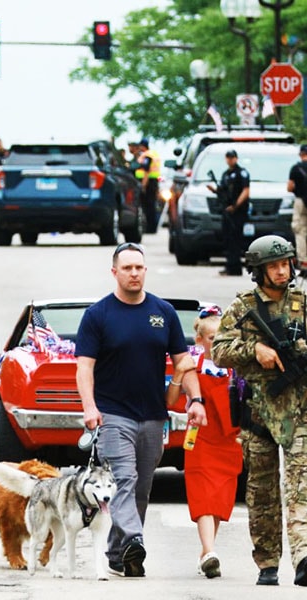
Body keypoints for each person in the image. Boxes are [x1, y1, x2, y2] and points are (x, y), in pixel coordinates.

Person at [75, 242, 207, 578]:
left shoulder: (163, 312)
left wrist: (196, 400)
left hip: (153, 415)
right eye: (127, 268)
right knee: (123, 479)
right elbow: (84, 367)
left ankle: (119, 555)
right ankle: (135, 538)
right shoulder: (98, 315)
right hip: (112, 414)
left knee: (141, 489)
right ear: (114, 272)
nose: (134, 273)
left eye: (139, 268)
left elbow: (184, 362)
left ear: (145, 270)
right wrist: (89, 407)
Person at [212, 234, 307, 587]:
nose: (281, 271)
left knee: (301, 489)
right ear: (259, 271)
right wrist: (255, 350)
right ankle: (267, 563)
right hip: (259, 415)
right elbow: (219, 351)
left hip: (300, 413)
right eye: (273, 266)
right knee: (262, 493)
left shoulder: (302, 304)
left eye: (285, 264)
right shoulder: (244, 306)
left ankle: (303, 557)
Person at [166, 306, 243, 579]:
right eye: (212, 338)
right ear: (199, 340)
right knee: (204, 496)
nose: (218, 343)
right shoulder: (192, 366)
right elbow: (171, 401)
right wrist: (178, 375)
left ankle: (206, 553)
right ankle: (210, 550)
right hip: (201, 439)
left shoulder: (236, 369)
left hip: (229, 441)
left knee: (220, 499)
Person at [207, 149, 250, 277]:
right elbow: (222, 191)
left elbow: (246, 191)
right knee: (227, 239)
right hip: (227, 211)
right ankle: (230, 266)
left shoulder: (241, 173)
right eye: (228, 158)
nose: (230, 160)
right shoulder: (226, 174)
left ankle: (235, 267)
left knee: (235, 239)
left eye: (232, 158)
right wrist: (214, 190)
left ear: (236, 158)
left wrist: (235, 205)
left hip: (238, 211)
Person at [287, 144, 307, 277]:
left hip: (301, 201)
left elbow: (289, 187)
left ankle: (304, 263)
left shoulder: (296, 168)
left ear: (301, 154)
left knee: (300, 230)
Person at [135, 139, 161, 234]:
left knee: (148, 206)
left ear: (143, 146)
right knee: (151, 205)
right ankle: (152, 227)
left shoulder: (147, 155)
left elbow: (146, 171)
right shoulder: (153, 154)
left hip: (148, 183)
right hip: (153, 182)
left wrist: (143, 185)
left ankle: (151, 228)